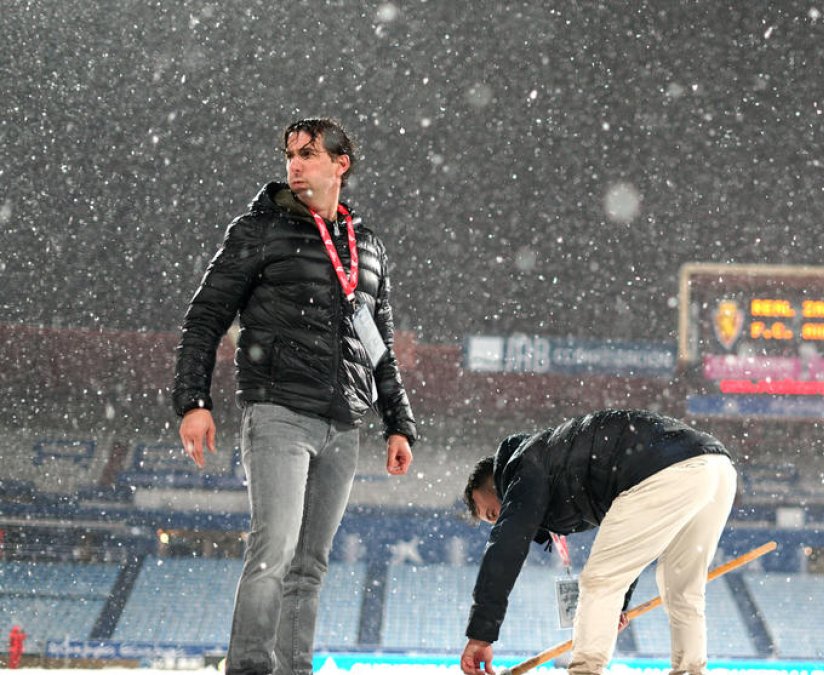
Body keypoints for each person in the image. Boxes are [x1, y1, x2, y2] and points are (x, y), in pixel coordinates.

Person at [173, 118, 417, 675]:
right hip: (279, 411)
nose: (296, 164)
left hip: (344, 426)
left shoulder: (368, 249)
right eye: (290, 155)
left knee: (309, 566)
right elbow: (205, 316)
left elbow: (379, 347)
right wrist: (193, 401)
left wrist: (398, 423)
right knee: (272, 555)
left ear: (341, 164)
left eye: (309, 153)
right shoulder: (260, 229)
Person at [459, 409, 736, 675]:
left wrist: (480, 636)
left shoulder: (526, 465)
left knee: (598, 581)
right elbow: (632, 543)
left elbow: (506, 547)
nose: (499, 521)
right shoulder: (560, 460)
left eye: (494, 513)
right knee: (681, 587)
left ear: (498, 484)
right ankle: (690, 669)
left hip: (667, 470)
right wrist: (618, 605)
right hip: (715, 468)